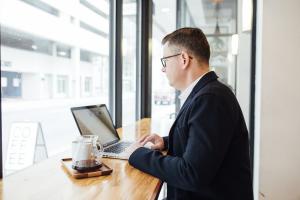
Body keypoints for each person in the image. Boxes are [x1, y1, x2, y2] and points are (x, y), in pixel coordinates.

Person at [126, 27, 253, 200]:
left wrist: (138, 154)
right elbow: (205, 144)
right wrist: (165, 142)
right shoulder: (209, 93)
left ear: (184, 59)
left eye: (165, 61)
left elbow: (192, 173)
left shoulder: (210, 98)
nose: (163, 70)